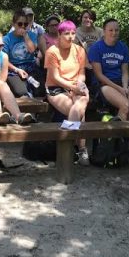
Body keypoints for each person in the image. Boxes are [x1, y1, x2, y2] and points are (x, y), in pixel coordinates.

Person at [88, 18, 129, 159]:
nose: (114, 33)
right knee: (125, 105)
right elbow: (99, 75)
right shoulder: (96, 48)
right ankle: (117, 145)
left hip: (122, 82)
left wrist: (124, 86)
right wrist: (119, 88)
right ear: (104, 31)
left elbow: (125, 71)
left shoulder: (122, 47)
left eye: (116, 30)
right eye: (110, 30)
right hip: (105, 84)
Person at [45, 20, 90, 163]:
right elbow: (56, 77)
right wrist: (72, 88)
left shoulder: (79, 50)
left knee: (79, 106)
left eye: (73, 33)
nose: (70, 37)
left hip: (77, 84)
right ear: (59, 34)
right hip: (56, 87)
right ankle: (80, 149)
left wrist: (80, 84)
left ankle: (69, 148)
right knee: (77, 111)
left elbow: (82, 72)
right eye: (66, 34)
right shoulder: (52, 51)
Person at [2, 9, 43, 97]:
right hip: (14, 69)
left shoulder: (32, 35)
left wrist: (25, 36)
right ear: (13, 24)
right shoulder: (6, 39)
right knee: (21, 92)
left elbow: (32, 50)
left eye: (25, 24)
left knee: (40, 92)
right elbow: (4, 60)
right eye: (20, 24)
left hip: (31, 67)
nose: (23, 26)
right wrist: (16, 70)